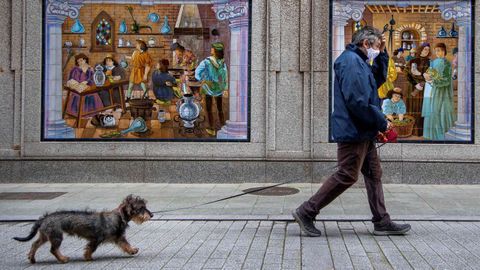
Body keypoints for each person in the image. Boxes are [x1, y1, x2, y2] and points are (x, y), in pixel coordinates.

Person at [292, 26, 411, 237]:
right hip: (354, 129)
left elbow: (377, 81)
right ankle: (306, 211)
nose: (377, 49)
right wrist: (382, 123)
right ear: (366, 44)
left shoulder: (360, 61)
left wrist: (382, 53)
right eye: (376, 46)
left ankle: (382, 221)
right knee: (347, 174)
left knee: (374, 174)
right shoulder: (351, 62)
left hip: (363, 130)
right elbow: (357, 102)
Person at [422, 43, 455, 140]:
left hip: (441, 90)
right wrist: (426, 75)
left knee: (438, 110)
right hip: (431, 88)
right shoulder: (434, 61)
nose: (438, 53)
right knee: (431, 110)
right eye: (436, 50)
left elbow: (446, 79)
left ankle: (439, 134)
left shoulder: (447, 63)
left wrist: (434, 80)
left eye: (439, 50)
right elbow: (429, 72)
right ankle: (431, 134)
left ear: (444, 51)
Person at [195, 42, 228, 136]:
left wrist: (201, 79)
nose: (211, 49)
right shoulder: (222, 63)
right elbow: (225, 76)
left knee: (208, 109)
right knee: (220, 108)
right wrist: (225, 88)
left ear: (215, 51)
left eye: (212, 48)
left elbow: (197, 73)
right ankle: (223, 126)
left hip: (208, 87)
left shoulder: (207, 61)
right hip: (218, 87)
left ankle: (211, 128)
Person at [405, 43, 431, 136]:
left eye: (428, 49)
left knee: (420, 109)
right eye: (425, 49)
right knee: (411, 108)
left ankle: (419, 132)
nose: (426, 51)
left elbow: (429, 76)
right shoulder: (413, 61)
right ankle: (410, 131)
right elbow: (407, 74)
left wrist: (422, 80)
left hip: (423, 89)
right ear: (420, 50)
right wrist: (415, 84)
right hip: (412, 88)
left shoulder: (429, 62)